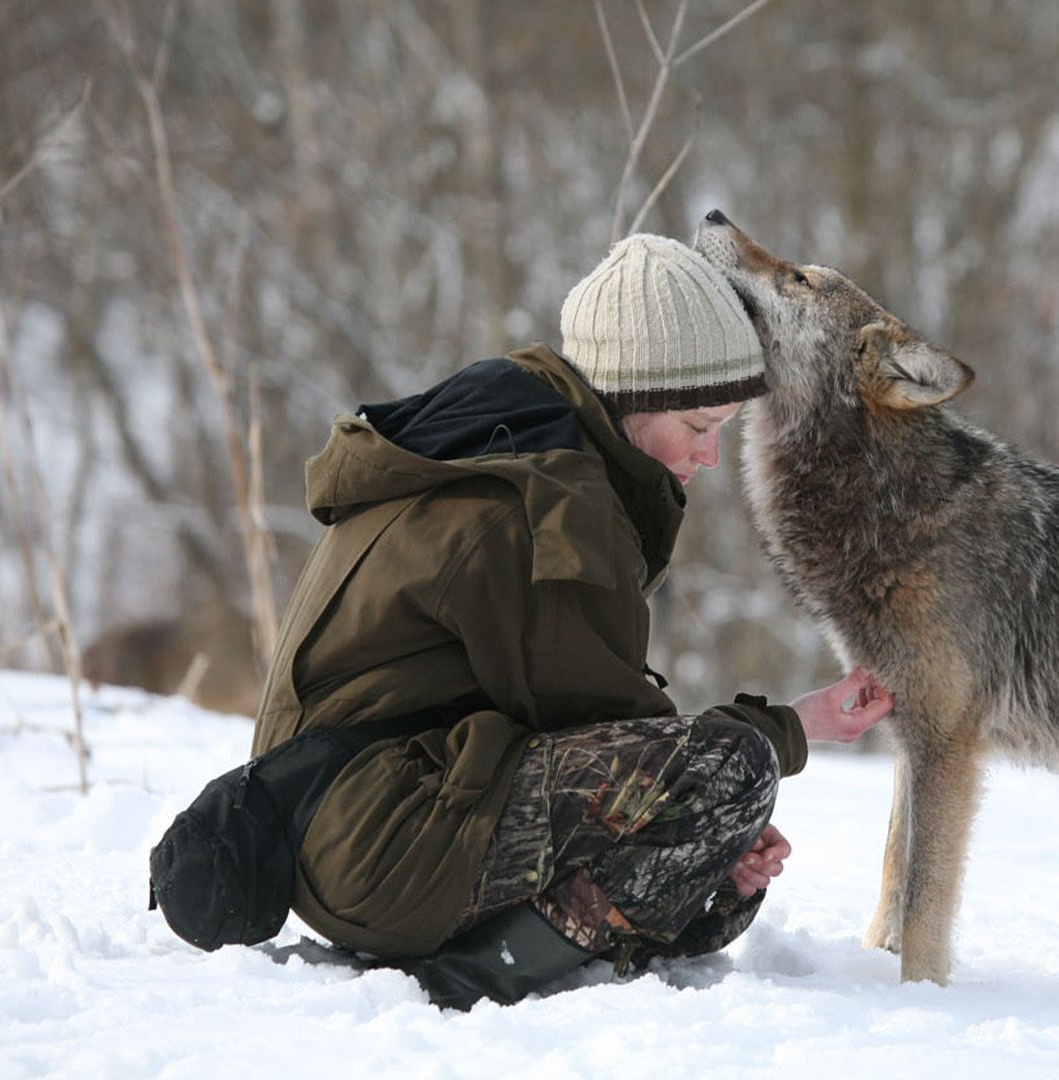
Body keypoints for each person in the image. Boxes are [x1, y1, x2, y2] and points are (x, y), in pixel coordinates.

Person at [250, 233, 893, 1009]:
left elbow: (593, 735)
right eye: (699, 426)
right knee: (731, 771)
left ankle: (521, 940)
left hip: (347, 826)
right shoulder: (547, 504)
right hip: (373, 841)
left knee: (714, 882)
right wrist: (783, 735)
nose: (712, 456)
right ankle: (477, 976)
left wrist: (713, 837)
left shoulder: (519, 436)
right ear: (635, 394)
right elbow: (609, 717)